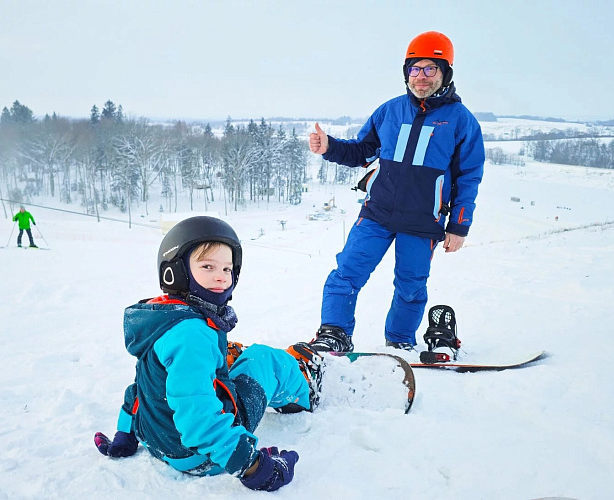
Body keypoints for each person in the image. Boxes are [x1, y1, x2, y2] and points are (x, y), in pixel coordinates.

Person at [93, 216, 323, 492]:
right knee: (265, 359)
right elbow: (200, 422)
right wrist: (256, 469)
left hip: (159, 441)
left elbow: (144, 386)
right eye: (207, 266)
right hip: (200, 455)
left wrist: (125, 433)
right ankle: (302, 387)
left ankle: (229, 360)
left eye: (227, 268)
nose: (221, 276)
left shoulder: (162, 319)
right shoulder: (192, 335)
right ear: (175, 271)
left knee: (213, 360)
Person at [306, 31, 485, 352]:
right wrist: (329, 147)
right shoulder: (389, 111)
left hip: (422, 222)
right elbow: (362, 152)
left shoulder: (461, 121)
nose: (421, 76)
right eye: (415, 69)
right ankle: (334, 334)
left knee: (411, 288)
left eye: (430, 68)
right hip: (377, 214)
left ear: (445, 73)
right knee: (345, 276)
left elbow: (468, 177)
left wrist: (459, 225)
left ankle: (400, 341)